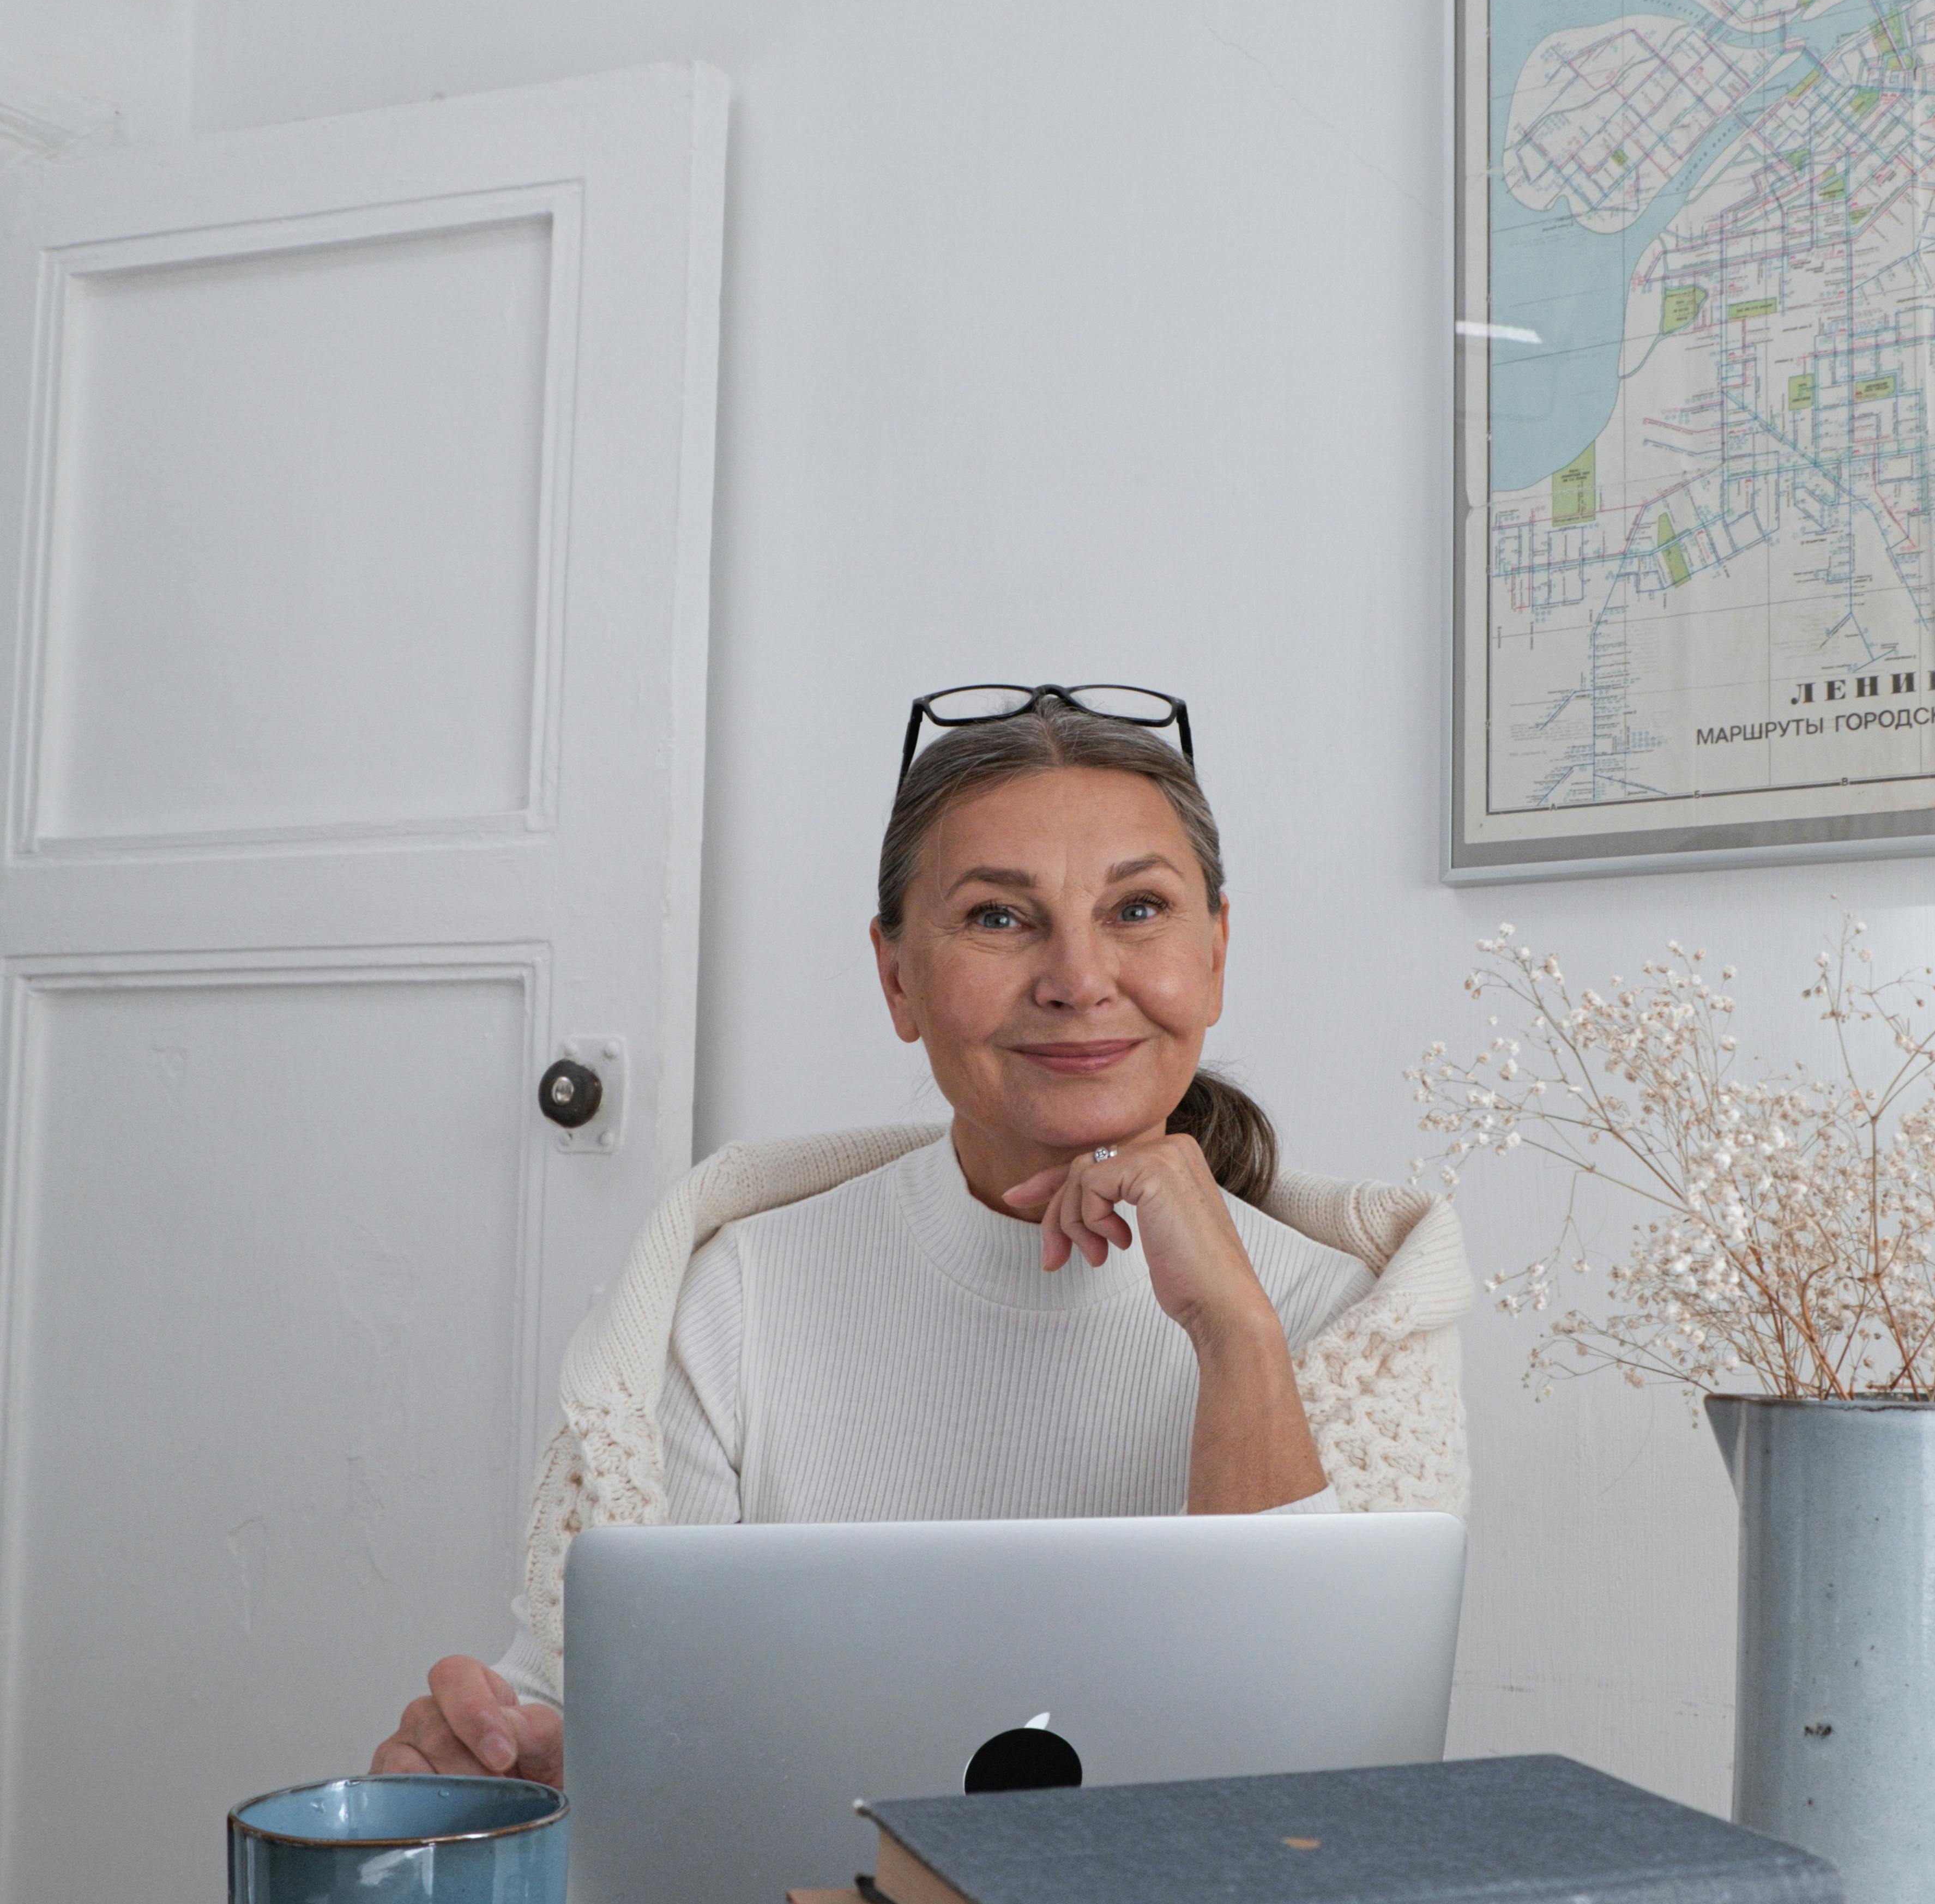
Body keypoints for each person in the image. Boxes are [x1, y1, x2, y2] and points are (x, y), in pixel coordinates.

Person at [373, 687, 1472, 1783]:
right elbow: (597, 1703)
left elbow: (1336, 1793)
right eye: (999, 916)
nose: (1080, 980)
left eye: (1137, 910)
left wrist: (1237, 1334)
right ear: (897, 974)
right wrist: (503, 1752)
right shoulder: (736, 1296)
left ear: (1217, 954)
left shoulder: (1353, 1320)